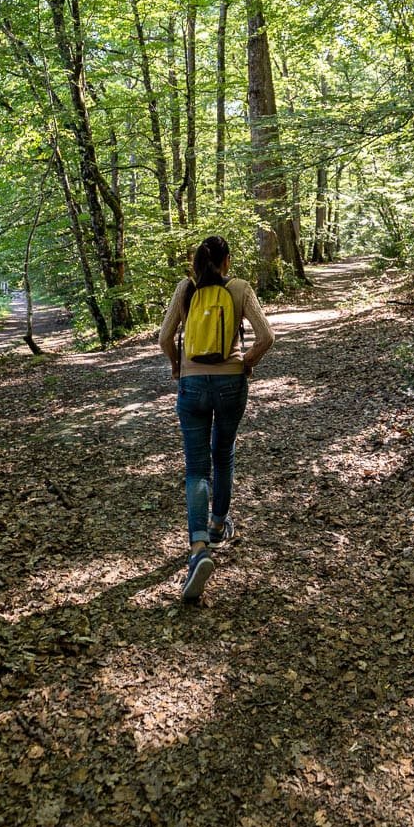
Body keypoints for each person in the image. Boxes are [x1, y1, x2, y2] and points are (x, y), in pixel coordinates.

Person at [158, 235, 275, 603]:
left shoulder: (186, 289)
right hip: (230, 383)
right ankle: (219, 523)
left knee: (196, 467)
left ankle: (198, 549)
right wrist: (247, 362)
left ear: (196, 263)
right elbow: (267, 336)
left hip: (191, 384)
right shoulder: (240, 288)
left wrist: (178, 367)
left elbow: (164, 338)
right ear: (227, 261)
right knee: (222, 453)